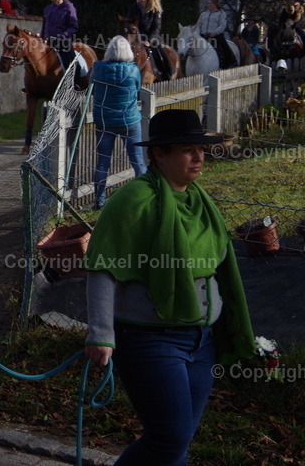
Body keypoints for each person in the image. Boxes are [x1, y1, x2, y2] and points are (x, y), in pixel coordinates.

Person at [85, 108, 255, 465]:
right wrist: (101, 333)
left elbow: (216, 268)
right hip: (151, 339)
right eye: (187, 150)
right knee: (169, 438)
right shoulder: (132, 201)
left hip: (201, 340)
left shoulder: (200, 202)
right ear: (158, 154)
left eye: (201, 149)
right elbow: (103, 267)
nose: (199, 158)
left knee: (179, 441)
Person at [90, 36, 147, 209]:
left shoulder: (98, 68)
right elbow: (136, 90)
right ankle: (143, 198)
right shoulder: (133, 70)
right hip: (129, 120)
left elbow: (93, 90)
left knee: (102, 162)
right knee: (138, 161)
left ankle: (99, 200)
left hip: (104, 121)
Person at [127, 0, 172, 80]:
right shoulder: (133, 9)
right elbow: (130, 25)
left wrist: (149, 41)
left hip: (152, 39)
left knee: (162, 58)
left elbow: (156, 28)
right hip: (136, 39)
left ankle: (165, 75)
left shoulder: (155, 11)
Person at [41, 0, 79, 67]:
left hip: (63, 43)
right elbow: (44, 26)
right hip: (48, 42)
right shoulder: (48, 9)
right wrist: (41, 38)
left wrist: (62, 36)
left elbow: (73, 27)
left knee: (74, 65)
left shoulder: (69, 8)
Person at [196, 0, 236, 69]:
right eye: (208, 3)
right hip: (204, 36)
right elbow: (198, 25)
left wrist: (215, 33)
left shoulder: (221, 13)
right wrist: (197, 33)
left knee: (225, 47)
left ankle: (230, 63)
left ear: (216, 4)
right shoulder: (203, 14)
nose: (209, 5)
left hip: (216, 36)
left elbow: (222, 25)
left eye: (211, 3)